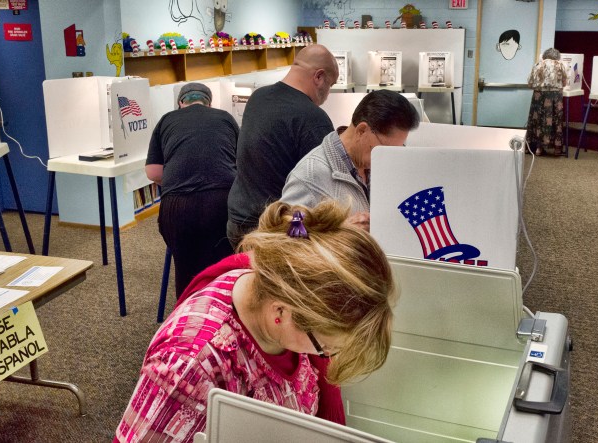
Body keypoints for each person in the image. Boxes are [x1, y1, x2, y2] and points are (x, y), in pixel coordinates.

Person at [114, 200, 396, 442]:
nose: (328, 357)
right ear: (281, 313)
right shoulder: (188, 366)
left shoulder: (274, 287)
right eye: (326, 348)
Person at [226, 44, 339, 248]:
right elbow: (324, 186)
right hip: (276, 227)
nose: (328, 93)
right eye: (330, 84)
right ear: (319, 77)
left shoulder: (258, 97)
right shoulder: (313, 118)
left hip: (237, 218)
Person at [145, 82, 239, 297]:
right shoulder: (225, 117)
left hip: (178, 206)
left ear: (180, 102)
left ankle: (188, 316)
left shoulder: (166, 120)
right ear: (209, 102)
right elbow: (241, 161)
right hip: (221, 201)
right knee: (221, 266)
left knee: (186, 269)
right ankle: (221, 314)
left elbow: (152, 172)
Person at [280, 90, 420, 231]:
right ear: (362, 130)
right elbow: (286, 236)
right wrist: (341, 231)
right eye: (385, 148)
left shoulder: (373, 164)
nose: (389, 156)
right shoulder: (310, 176)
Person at [525, 47, 567, 156]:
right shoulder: (560, 65)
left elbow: (529, 83)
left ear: (544, 55)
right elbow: (564, 83)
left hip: (539, 96)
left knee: (538, 120)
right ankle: (557, 149)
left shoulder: (538, 65)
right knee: (555, 121)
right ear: (557, 56)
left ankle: (538, 148)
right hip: (555, 97)